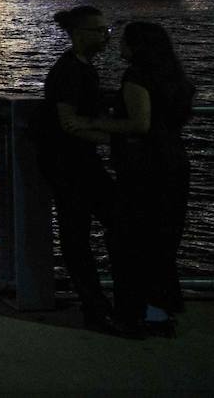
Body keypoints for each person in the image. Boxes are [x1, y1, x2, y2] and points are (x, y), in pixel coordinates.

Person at [66, 21, 195, 337]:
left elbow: (139, 124)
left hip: (143, 171)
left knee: (130, 243)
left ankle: (134, 313)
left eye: (122, 40)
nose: (116, 44)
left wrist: (94, 122)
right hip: (174, 164)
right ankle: (159, 313)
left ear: (137, 46)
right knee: (162, 243)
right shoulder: (173, 77)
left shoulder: (136, 77)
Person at [37, 5, 119, 332]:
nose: (106, 36)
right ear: (80, 34)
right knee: (84, 235)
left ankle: (97, 304)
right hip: (71, 164)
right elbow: (69, 122)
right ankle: (96, 308)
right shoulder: (71, 71)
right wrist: (116, 137)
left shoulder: (81, 67)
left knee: (81, 235)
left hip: (75, 162)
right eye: (100, 31)